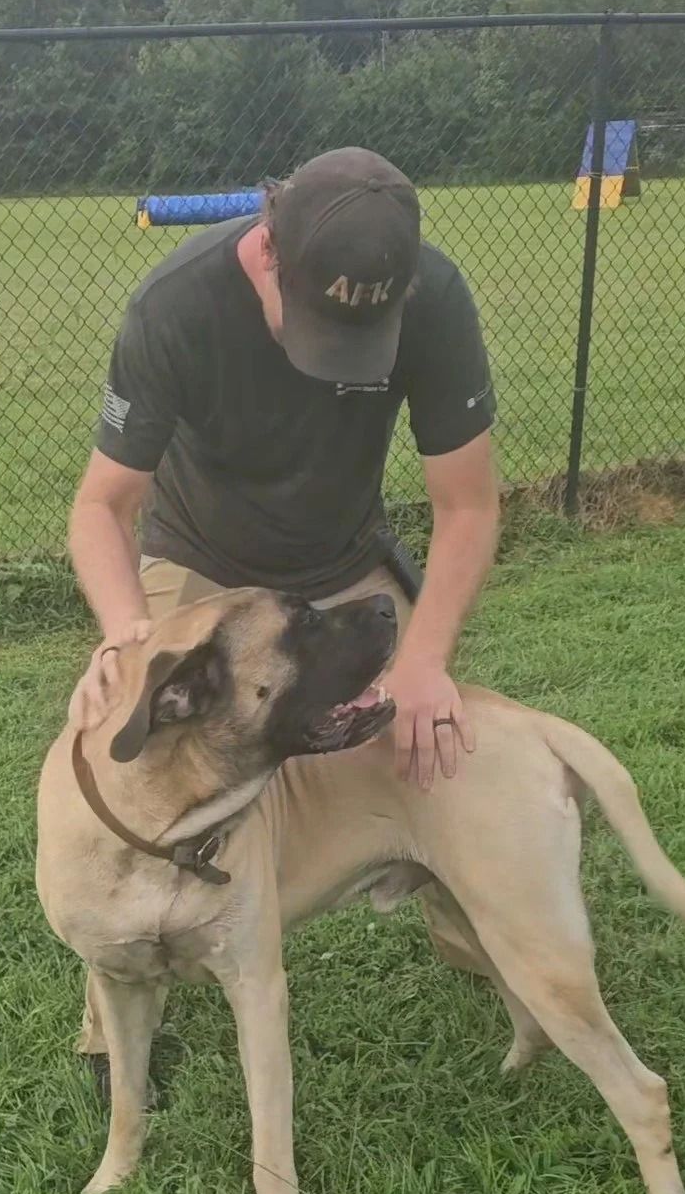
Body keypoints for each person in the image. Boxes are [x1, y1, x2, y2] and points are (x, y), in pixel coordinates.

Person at [66, 145, 501, 1078]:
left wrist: (424, 661)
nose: (331, 359)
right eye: (315, 327)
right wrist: (126, 638)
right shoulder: (176, 306)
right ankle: (114, 1022)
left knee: (435, 741)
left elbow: (468, 506)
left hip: (339, 565)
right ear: (266, 248)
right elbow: (102, 506)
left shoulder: (432, 297)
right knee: (133, 756)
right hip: (201, 562)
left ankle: (492, 942)